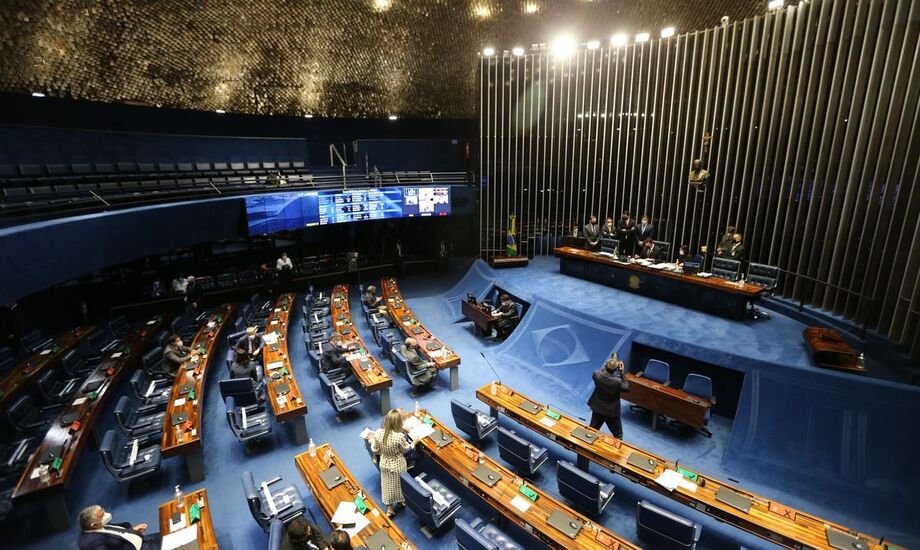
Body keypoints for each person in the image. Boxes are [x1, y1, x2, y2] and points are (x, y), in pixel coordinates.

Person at [369, 409, 419, 517]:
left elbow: (375, 450)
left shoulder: (378, 433)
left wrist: (372, 440)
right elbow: (406, 450)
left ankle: (389, 509)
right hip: (398, 465)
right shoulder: (399, 436)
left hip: (384, 463)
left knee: (387, 486)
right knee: (399, 485)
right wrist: (414, 442)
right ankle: (400, 502)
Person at [77, 504, 161, 550]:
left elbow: (116, 534)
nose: (107, 514)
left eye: (103, 511)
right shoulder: (96, 545)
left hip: (143, 539)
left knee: (166, 534)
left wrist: (133, 530)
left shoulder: (96, 526)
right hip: (143, 547)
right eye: (102, 515)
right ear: (93, 525)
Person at [587, 357, 630, 440]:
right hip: (611, 412)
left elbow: (602, 373)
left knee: (591, 431)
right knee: (618, 435)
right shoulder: (618, 382)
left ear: (605, 365)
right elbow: (627, 388)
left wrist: (607, 365)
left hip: (597, 407)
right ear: (616, 369)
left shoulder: (596, 374)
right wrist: (622, 373)